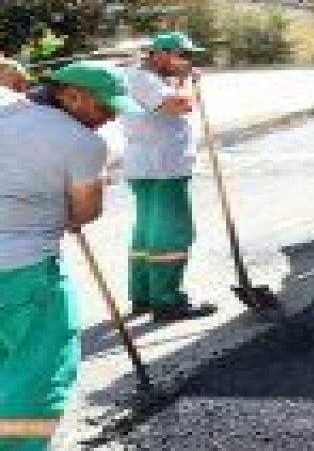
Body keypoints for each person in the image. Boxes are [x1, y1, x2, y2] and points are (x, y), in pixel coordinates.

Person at [0, 62, 139, 450]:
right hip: (22, 271)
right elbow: (84, 212)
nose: (111, 117)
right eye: (105, 106)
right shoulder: (83, 143)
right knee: (40, 373)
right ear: (71, 95)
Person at [121, 32, 216, 322]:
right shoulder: (144, 78)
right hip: (161, 167)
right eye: (183, 56)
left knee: (148, 232)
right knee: (171, 234)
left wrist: (179, 78)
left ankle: (144, 296)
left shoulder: (146, 77)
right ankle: (167, 301)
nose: (187, 62)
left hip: (150, 165)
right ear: (162, 54)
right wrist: (188, 81)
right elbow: (179, 105)